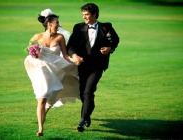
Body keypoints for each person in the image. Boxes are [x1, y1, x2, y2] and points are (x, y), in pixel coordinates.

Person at [24, 9, 79, 136]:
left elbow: (65, 55)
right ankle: (40, 129)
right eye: (56, 23)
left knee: (51, 97)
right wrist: (32, 50)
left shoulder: (60, 37)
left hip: (55, 71)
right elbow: (29, 49)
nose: (58, 25)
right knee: (41, 98)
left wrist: (73, 59)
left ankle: (45, 112)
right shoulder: (38, 36)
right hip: (42, 72)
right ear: (49, 24)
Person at [67, 3, 119, 132]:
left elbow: (116, 40)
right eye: (83, 14)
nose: (84, 17)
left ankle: (82, 120)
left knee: (88, 91)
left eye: (87, 14)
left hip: (97, 66)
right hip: (82, 65)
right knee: (83, 93)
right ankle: (87, 114)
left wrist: (110, 48)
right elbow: (70, 46)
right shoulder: (78, 28)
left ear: (94, 14)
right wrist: (75, 56)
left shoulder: (106, 27)